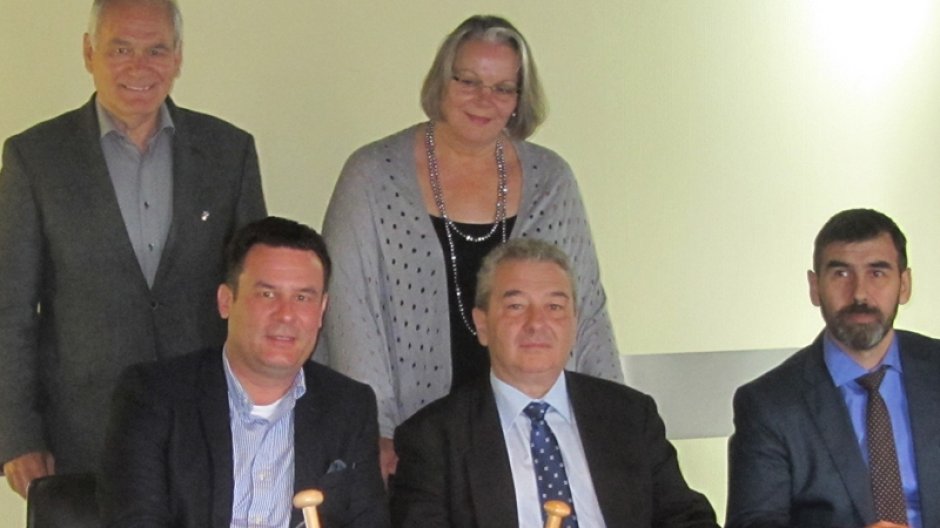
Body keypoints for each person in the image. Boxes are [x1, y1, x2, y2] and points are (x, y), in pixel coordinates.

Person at [318, 14, 623, 480]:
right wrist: (376, 429)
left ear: (519, 100)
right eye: (468, 81)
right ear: (441, 82)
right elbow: (349, 312)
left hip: (528, 434)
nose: (484, 99)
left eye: (503, 88)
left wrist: (614, 421)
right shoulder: (372, 175)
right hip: (408, 437)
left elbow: (587, 310)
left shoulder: (552, 181)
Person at [0, 0, 266, 497]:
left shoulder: (229, 152)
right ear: (89, 52)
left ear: (178, 56)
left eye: (156, 50)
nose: (139, 67)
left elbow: (255, 296)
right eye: (121, 49)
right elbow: (10, 309)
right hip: (80, 437)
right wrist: (16, 435)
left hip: (207, 429)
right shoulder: (35, 159)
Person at [391, 239, 717, 527]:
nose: (537, 323)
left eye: (555, 307)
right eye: (516, 306)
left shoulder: (630, 416)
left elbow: (686, 518)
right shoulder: (433, 438)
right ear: (483, 324)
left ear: (575, 322)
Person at [99, 217, 389, 527]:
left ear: (321, 311)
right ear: (226, 301)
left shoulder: (349, 406)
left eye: (302, 298)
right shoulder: (152, 396)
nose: (286, 315)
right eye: (267, 294)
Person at [726, 209, 940, 528]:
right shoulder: (769, 405)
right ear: (815, 287)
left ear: (904, 285)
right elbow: (754, 523)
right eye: (841, 274)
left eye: (877, 273)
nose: (859, 294)